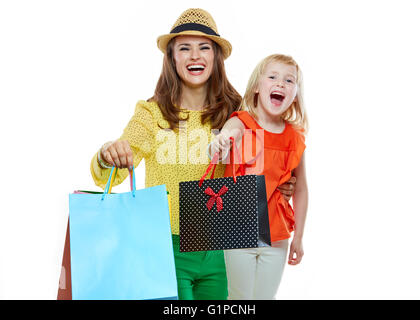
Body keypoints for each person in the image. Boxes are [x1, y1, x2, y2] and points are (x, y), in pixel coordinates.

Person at [90, 9, 296, 300]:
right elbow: (110, 173)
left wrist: (287, 183)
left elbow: (268, 164)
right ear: (172, 57)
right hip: (167, 247)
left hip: (228, 248)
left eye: (204, 48)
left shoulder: (240, 113)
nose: (194, 56)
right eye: (184, 48)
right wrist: (107, 155)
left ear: (216, 58)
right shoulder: (152, 115)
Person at [211, 54, 308, 300]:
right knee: (239, 298)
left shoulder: (294, 138)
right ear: (257, 87)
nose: (280, 84)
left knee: (264, 298)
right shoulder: (241, 122)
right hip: (238, 231)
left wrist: (299, 237)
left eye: (289, 80)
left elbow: (301, 189)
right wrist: (221, 141)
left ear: (295, 94)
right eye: (273, 77)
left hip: (276, 236)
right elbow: (227, 136)